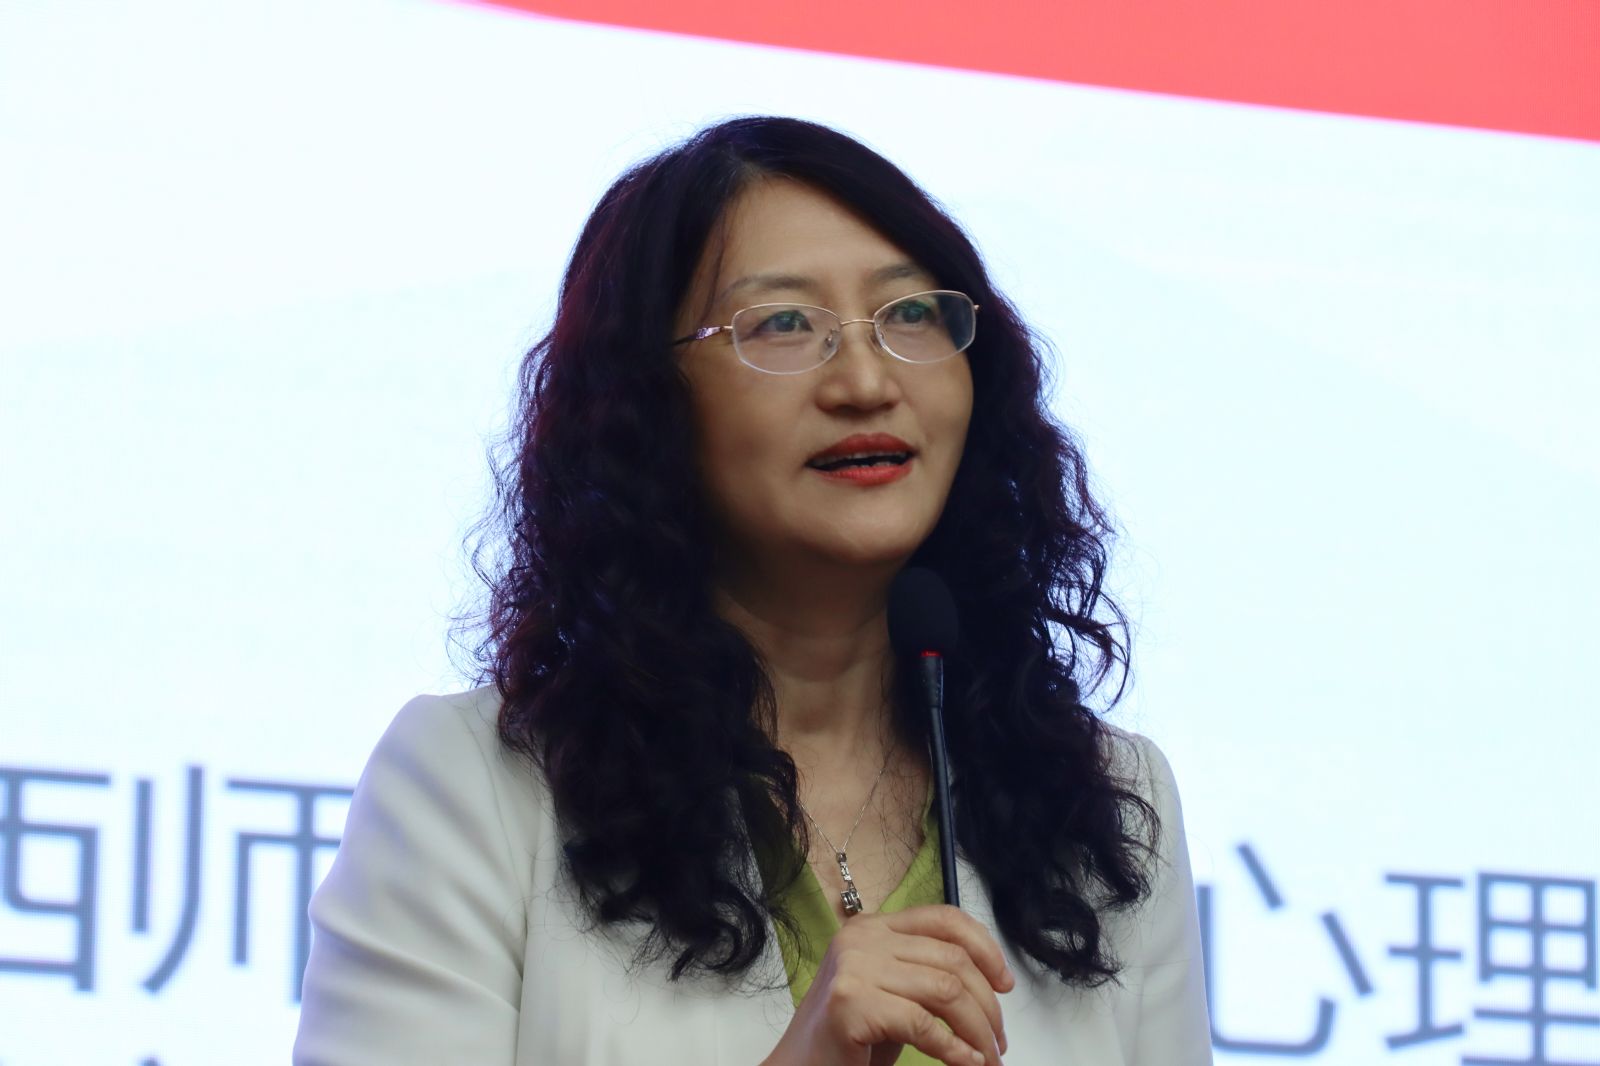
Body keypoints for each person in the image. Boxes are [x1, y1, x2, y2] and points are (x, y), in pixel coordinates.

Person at [293, 116, 1211, 1065]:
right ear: (648, 400)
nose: (866, 381)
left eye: (909, 315)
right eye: (783, 325)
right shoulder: (476, 788)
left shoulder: (1107, 805)